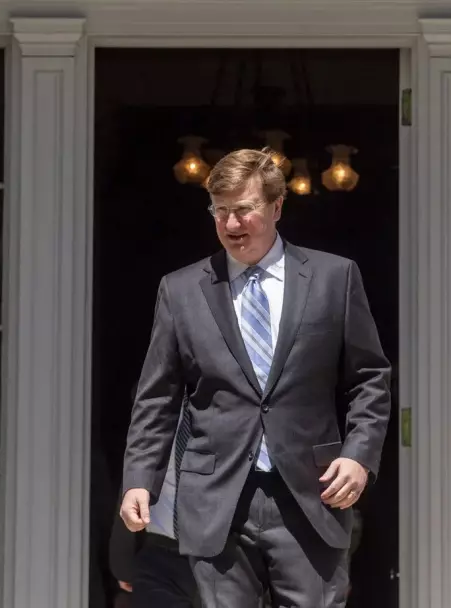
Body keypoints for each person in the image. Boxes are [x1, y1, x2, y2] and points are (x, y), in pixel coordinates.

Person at [119, 147, 391, 607]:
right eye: (219, 211)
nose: (231, 224)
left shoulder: (334, 277)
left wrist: (358, 456)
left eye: (243, 209)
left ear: (277, 207)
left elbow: (369, 378)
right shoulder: (181, 289)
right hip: (216, 498)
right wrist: (139, 478)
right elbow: (158, 397)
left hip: (311, 494)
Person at [109, 389, 200, 608]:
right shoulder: (153, 415)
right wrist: (123, 564)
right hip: (160, 556)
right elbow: (132, 487)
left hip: (221, 554)